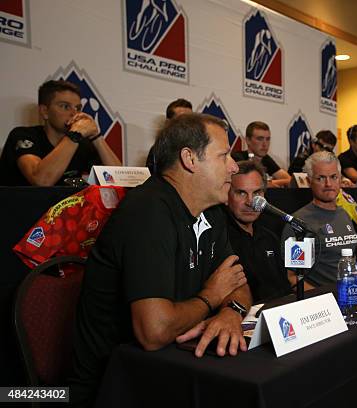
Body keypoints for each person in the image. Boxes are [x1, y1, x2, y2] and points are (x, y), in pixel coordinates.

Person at [70, 114, 251, 406]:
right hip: (113, 387)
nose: (234, 166)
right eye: (224, 155)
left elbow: (237, 283)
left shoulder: (212, 211)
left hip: (173, 369)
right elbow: (153, 332)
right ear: (190, 159)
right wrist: (210, 298)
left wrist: (231, 311)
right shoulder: (148, 211)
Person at [0, 80, 121, 186]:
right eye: (65, 106)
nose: (75, 114)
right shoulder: (23, 135)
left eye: (78, 108)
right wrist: (75, 134)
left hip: (66, 210)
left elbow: (120, 179)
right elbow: (42, 180)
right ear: (44, 111)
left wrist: (96, 136)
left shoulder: (81, 144)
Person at [281, 151, 357, 288]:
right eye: (321, 178)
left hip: (350, 295)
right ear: (309, 181)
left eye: (333, 177)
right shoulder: (299, 222)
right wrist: (323, 300)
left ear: (340, 179)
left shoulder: (344, 214)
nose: (328, 184)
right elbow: (293, 277)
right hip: (321, 301)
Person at [226, 160, 292, 302]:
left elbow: (284, 289)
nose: (250, 202)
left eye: (256, 192)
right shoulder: (220, 241)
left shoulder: (270, 237)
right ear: (226, 196)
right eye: (241, 193)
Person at [231, 121, 291, 188]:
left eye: (268, 139)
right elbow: (249, 182)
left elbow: (289, 180)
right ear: (248, 140)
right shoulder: (237, 158)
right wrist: (267, 184)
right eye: (260, 139)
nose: (265, 144)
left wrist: (269, 183)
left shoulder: (265, 158)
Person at [147, 98, 193, 172]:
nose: (187, 124)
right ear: (168, 123)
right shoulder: (157, 151)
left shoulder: (201, 148)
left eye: (190, 119)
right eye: (181, 119)